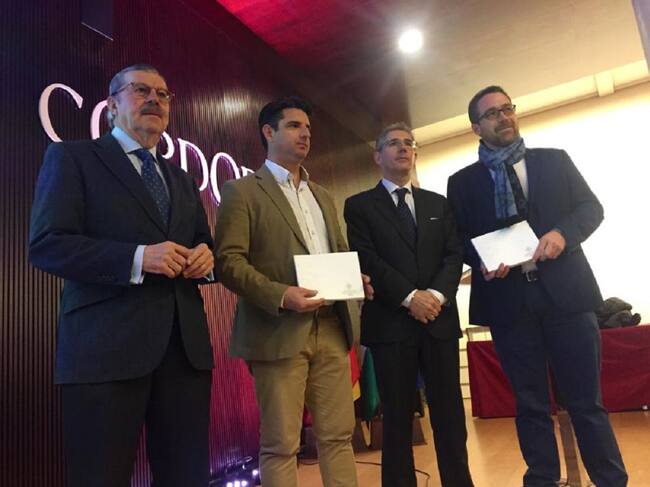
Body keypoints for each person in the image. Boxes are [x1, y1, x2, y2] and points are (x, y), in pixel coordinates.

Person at [29, 64, 215, 487]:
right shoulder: (73, 158)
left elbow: (204, 243)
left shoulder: (181, 179)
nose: (154, 100)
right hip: (104, 351)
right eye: (140, 90)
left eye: (163, 95)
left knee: (187, 477)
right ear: (112, 106)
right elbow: (47, 244)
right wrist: (138, 258)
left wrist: (207, 260)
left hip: (183, 352)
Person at [446, 85, 628, 487]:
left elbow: (591, 208)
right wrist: (482, 260)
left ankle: (611, 481)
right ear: (476, 127)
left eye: (507, 108)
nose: (503, 117)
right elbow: (456, 239)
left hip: (568, 297)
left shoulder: (554, 160)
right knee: (529, 406)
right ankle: (542, 480)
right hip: (509, 303)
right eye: (492, 113)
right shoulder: (462, 183)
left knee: (586, 402)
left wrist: (563, 233)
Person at [214, 96, 370, 487]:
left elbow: (336, 253)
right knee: (281, 444)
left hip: (332, 328)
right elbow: (228, 263)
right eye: (294, 126)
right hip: (277, 330)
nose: (305, 135)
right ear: (268, 132)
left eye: (308, 128)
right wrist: (282, 295)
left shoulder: (323, 195)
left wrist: (355, 279)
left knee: (338, 437)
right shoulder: (242, 191)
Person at [344, 122, 474, 487]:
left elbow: (454, 255)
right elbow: (366, 258)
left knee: (450, 416)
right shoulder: (359, 206)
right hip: (391, 324)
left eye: (408, 143)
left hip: (438, 321)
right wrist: (409, 297)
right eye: (393, 143)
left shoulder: (438, 203)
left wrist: (435, 296)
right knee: (397, 420)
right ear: (377, 156)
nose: (403, 148)